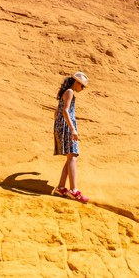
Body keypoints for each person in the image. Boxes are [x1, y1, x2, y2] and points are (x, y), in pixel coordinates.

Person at [53, 71, 89, 202]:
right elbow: (65, 111)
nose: (82, 88)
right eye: (82, 86)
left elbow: (57, 111)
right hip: (67, 126)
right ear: (76, 82)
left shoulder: (66, 92)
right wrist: (73, 129)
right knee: (73, 155)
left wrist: (57, 125)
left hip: (62, 125)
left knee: (70, 157)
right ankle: (74, 191)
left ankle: (61, 187)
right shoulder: (70, 92)